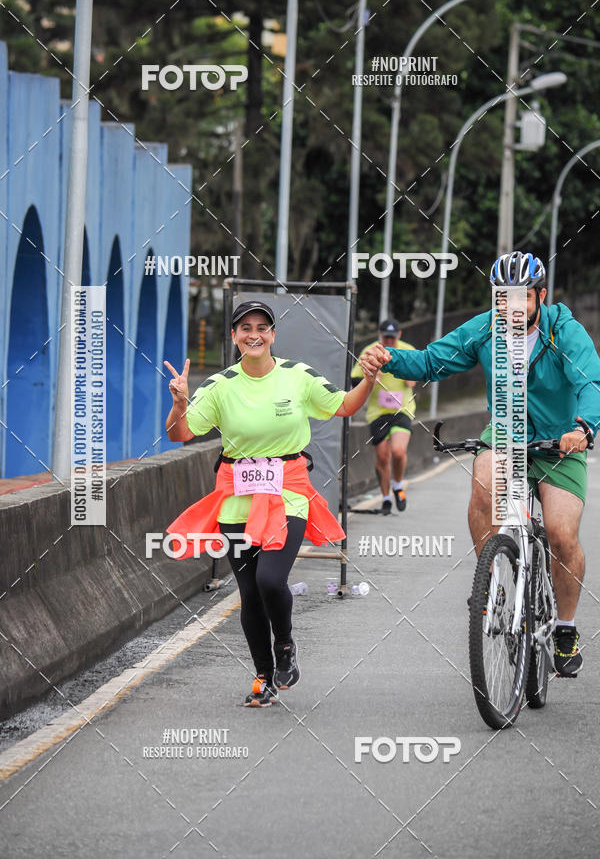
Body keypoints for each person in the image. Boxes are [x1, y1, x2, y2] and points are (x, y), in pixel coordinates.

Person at [360, 252, 600, 678]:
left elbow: (590, 381)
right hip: (507, 432)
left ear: (540, 297)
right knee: (484, 484)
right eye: (502, 298)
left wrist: (583, 427)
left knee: (563, 537)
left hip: (561, 440)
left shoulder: (564, 330)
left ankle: (564, 628)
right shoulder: (485, 329)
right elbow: (433, 361)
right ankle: (489, 578)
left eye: (522, 297)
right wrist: (389, 359)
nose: (511, 307)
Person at [165, 300, 381, 706]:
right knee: (249, 593)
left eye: (262, 327)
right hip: (237, 499)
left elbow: (345, 406)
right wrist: (179, 403)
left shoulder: (298, 377)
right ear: (234, 336)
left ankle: (285, 645)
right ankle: (263, 677)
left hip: (288, 494)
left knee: (269, 580)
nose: (254, 334)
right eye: (245, 327)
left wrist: (367, 380)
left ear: (273, 335)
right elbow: (179, 435)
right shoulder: (220, 385)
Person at [351, 318, 417, 514]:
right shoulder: (370, 351)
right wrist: (370, 377)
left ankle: (397, 485)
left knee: (397, 451)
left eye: (392, 338)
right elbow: (354, 380)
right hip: (378, 412)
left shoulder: (408, 350)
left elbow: (416, 379)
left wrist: (407, 374)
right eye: (386, 338)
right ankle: (386, 497)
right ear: (380, 335)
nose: (389, 341)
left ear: (399, 335)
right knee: (382, 457)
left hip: (402, 410)